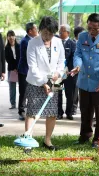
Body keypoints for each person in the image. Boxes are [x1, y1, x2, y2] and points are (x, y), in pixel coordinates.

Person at [70, 13, 99, 148]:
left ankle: (98, 139)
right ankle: (85, 135)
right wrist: (77, 65)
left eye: (95, 29)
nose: (91, 31)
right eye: (89, 28)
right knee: (85, 110)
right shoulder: (82, 37)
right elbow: (78, 53)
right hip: (84, 80)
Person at [25, 16, 65, 150]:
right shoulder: (33, 43)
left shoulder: (58, 42)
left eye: (51, 33)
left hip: (54, 81)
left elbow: (61, 62)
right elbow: (32, 66)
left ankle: (47, 140)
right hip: (36, 81)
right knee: (32, 111)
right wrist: (43, 83)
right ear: (40, 30)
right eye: (45, 33)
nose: (48, 36)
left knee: (52, 112)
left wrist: (57, 74)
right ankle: (28, 140)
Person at [17, 22, 38, 120]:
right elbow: (28, 57)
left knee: (31, 91)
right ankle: (21, 111)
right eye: (35, 29)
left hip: (30, 70)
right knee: (24, 91)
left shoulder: (33, 40)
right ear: (30, 31)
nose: (37, 30)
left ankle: (30, 110)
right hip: (24, 70)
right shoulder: (26, 41)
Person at [57, 24, 78, 120]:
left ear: (68, 33)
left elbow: (73, 58)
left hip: (68, 73)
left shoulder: (73, 44)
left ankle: (69, 112)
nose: (60, 33)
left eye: (62, 31)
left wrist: (67, 70)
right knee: (57, 92)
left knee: (70, 94)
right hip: (57, 73)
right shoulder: (56, 42)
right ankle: (59, 112)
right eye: (59, 31)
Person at [5, 30, 20, 111]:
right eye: (9, 36)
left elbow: (21, 58)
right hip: (11, 70)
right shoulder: (6, 48)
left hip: (20, 69)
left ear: (15, 37)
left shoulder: (19, 46)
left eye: (12, 35)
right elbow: (8, 59)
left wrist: (18, 67)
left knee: (22, 87)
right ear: (7, 38)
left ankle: (22, 103)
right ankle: (13, 103)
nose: (11, 37)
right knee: (12, 88)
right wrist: (14, 68)